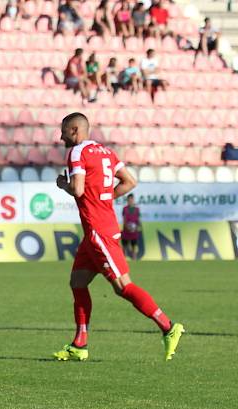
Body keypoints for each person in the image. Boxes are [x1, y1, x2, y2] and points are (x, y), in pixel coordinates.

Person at [52, 113, 184, 363]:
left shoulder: (76, 152)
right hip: (99, 228)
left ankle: (168, 326)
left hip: (98, 231)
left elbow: (78, 189)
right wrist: (104, 199)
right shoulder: (106, 152)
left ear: (75, 130)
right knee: (77, 282)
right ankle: (80, 344)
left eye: (63, 131)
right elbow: (129, 181)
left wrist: (62, 184)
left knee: (123, 286)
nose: (60, 137)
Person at [121, 193, 141, 260]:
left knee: (134, 246)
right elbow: (124, 219)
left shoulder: (137, 209)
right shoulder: (125, 209)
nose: (131, 201)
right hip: (126, 230)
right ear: (127, 200)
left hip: (134, 231)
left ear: (133, 200)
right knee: (125, 246)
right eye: (129, 199)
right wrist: (127, 227)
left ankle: (134, 259)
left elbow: (138, 219)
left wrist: (137, 227)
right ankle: (123, 260)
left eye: (132, 199)